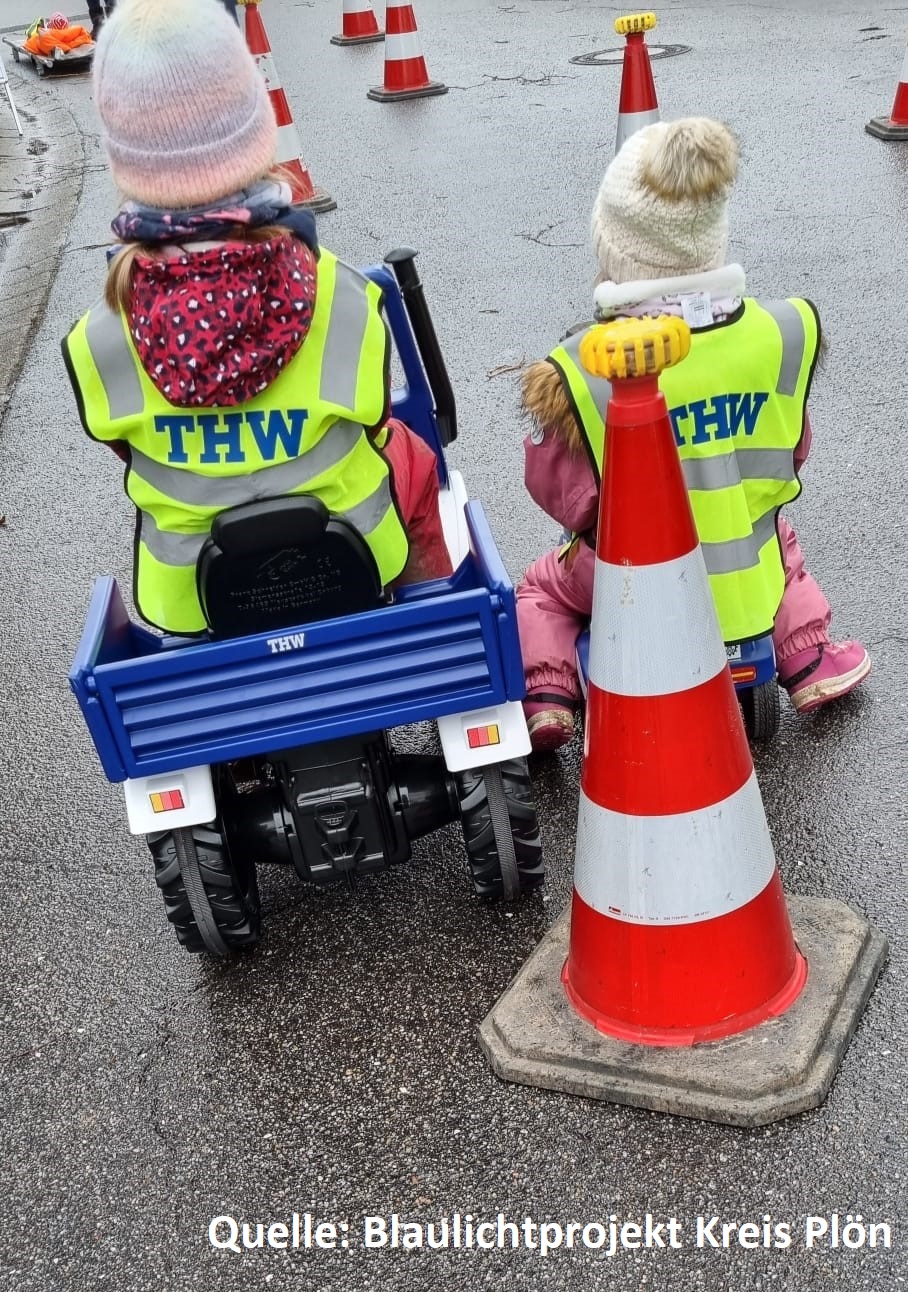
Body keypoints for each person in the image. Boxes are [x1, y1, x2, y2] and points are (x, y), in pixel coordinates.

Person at [61, 0, 451, 636]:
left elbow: (123, 451)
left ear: (126, 163)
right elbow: (374, 418)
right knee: (408, 450)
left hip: (194, 602)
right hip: (355, 567)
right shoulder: (345, 296)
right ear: (254, 135)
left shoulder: (95, 341)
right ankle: (428, 621)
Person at [516, 117, 871, 751]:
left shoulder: (583, 366)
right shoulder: (781, 331)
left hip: (631, 578)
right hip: (744, 557)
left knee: (544, 588)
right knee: (780, 548)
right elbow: (793, 450)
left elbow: (562, 495)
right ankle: (809, 655)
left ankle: (548, 692)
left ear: (613, 247)